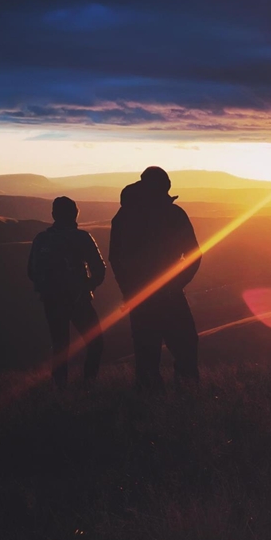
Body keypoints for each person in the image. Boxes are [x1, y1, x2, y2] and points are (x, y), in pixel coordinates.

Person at [109, 166, 201, 389]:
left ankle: (147, 404)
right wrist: (178, 283)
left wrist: (128, 290)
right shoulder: (174, 214)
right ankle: (187, 397)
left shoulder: (124, 215)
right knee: (185, 346)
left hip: (140, 296)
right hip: (170, 294)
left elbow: (115, 258)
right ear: (165, 186)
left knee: (146, 352)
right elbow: (193, 254)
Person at [27, 196, 106, 388]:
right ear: (75, 214)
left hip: (51, 300)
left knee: (60, 345)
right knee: (96, 343)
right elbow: (99, 270)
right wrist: (87, 287)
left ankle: (59, 387)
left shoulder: (41, 239)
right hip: (79, 300)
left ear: (54, 214)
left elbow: (31, 271)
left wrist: (47, 289)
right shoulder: (82, 237)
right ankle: (89, 385)